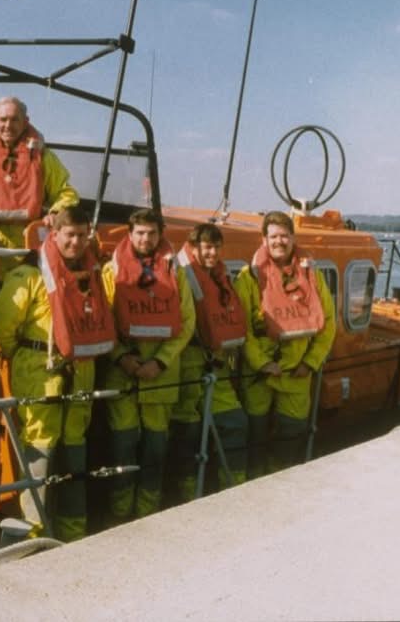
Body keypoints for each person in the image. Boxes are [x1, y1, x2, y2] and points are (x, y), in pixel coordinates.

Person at [0, 206, 116, 541]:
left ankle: (74, 534)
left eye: (81, 235)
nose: (75, 242)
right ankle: (35, 537)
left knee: (75, 455)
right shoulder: (27, 275)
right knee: (39, 457)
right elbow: (2, 328)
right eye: (69, 235)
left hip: (81, 373)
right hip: (39, 372)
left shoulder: (92, 276)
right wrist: (30, 356)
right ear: (54, 234)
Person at [102, 209, 195, 521]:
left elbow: (187, 322)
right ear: (130, 234)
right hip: (123, 374)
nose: (146, 239)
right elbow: (100, 321)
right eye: (140, 233)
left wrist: (160, 361)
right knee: (122, 449)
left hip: (161, 377)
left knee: (156, 450)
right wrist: (122, 358)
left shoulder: (175, 272)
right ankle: (118, 515)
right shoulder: (110, 271)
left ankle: (147, 514)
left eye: (152, 233)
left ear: (161, 234)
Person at [234, 210, 335, 477]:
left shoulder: (312, 276)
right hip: (259, 375)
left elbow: (328, 323)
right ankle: (253, 485)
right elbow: (241, 328)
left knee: (290, 439)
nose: (279, 241)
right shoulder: (249, 277)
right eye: (273, 236)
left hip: (297, 374)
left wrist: (310, 363)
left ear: (293, 238)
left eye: (284, 236)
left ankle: (281, 485)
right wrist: (262, 363)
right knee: (254, 439)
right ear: (264, 240)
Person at [0, 96, 79, 293]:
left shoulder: (43, 157)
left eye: (14, 119)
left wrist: (56, 214)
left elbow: (66, 193)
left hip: (27, 247)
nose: (8, 125)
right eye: (3, 120)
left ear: (25, 121)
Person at [169, 223, 249, 500]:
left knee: (235, 423)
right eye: (206, 247)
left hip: (216, 364)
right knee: (187, 433)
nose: (212, 252)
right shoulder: (180, 275)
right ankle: (188, 496)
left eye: (216, 247)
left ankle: (235, 490)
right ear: (194, 248)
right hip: (187, 365)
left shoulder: (220, 277)